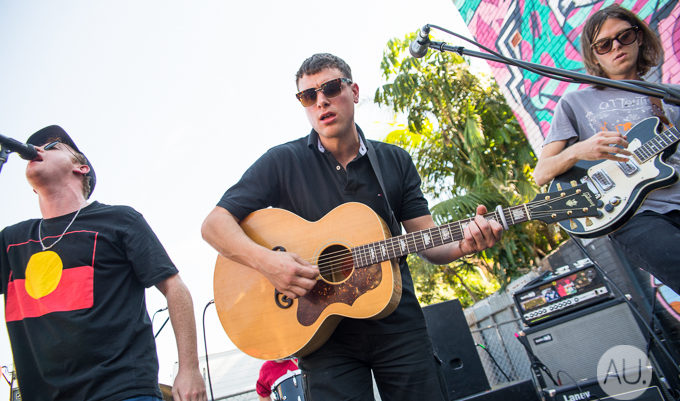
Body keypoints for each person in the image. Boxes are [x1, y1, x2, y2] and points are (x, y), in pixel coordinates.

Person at [201, 53, 503, 401]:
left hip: (398, 323)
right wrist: (268, 263)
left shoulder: (394, 161)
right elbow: (214, 225)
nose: (321, 101)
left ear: (354, 91)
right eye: (308, 95)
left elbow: (426, 240)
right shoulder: (282, 162)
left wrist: (463, 245)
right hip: (322, 337)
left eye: (330, 88)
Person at [0, 125, 207, 400]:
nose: (37, 151)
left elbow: (174, 287)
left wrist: (189, 368)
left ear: (81, 168)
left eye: (51, 147)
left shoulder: (120, 220)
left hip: (122, 391)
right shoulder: (11, 241)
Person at [533, 4, 680, 295]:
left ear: (639, 37)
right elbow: (541, 174)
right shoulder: (574, 103)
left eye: (624, 36)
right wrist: (579, 151)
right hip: (634, 216)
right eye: (604, 44)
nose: (616, 47)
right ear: (594, 55)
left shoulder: (669, 97)